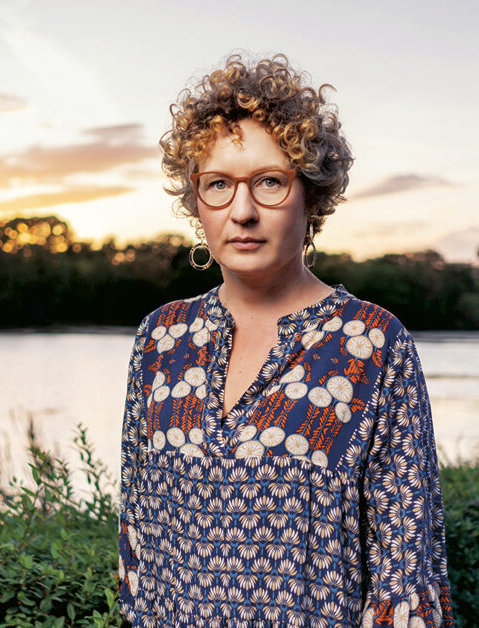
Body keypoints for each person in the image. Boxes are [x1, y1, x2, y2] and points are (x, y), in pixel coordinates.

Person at [117, 53, 455, 627]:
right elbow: (138, 555)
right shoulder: (161, 338)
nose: (242, 211)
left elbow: (406, 575)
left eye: (270, 182)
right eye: (218, 184)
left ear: (312, 196)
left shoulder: (372, 344)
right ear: (196, 201)